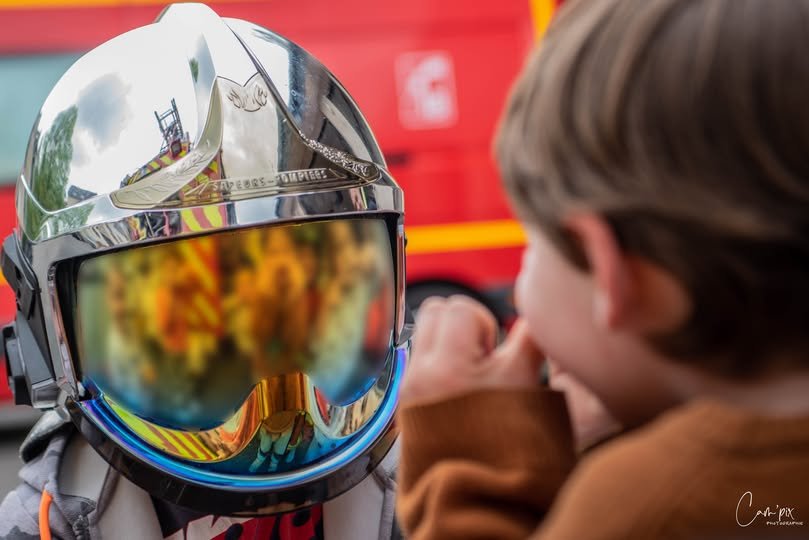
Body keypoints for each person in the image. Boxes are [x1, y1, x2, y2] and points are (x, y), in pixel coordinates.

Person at [395, 0, 809, 538]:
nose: (519, 288)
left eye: (534, 244)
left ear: (607, 268)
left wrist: (466, 459)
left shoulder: (642, 507)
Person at [0, 3, 410, 539]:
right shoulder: (40, 528)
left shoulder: (436, 493)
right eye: (203, 332)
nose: (278, 421)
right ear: (51, 341)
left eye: (306, 312)